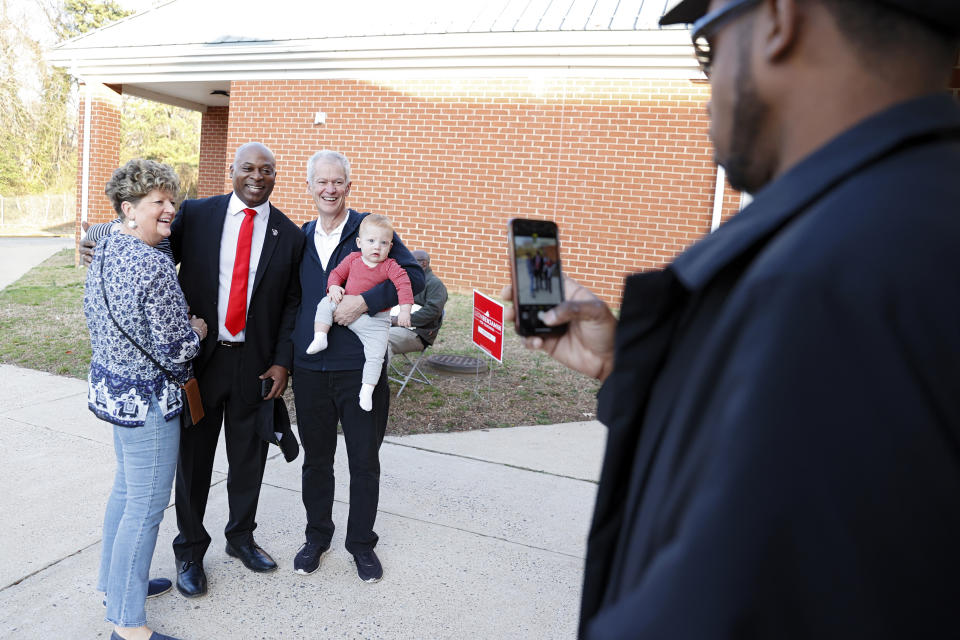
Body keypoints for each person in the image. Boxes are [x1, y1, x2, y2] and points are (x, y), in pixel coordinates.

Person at [504, 0, 960, 637]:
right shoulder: (916, 220)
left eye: (708, 49)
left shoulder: (822, 282)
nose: (707, 85)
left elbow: (730, 609)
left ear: (778, 18)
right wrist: (619, 369)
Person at [82, 142, 304, 598]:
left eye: (267, 170)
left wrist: (282, 361)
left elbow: (291, 303)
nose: (257, 176)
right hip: (197, 363)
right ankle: (189, 550)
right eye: (248, 168)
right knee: (193, 460)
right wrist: (96, 238)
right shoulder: (198, 215)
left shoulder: (289, 234)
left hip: (255, 364)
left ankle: (240, 537)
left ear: (276, 176)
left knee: (248, 458)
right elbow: (143, 228)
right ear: (232, 171)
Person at [85, 159, 207, 640]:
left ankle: (113, 587)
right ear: (130, 209)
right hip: (150, 405)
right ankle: (128, 625)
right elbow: (178, 347)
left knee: (125, 492)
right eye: (159, 202)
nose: (170, 210)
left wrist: (93, 233)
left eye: (171, 201)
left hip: (115, 396)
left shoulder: (111, 239)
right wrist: (198, 328)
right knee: (146, 509)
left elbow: (96, 227)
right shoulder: (154, 266)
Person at [291, 149, 423, 582]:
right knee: (317, 461)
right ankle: (317, 537)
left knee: (364, 460)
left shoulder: (371, 231)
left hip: (359, 370)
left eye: (338, 182)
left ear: (349, 185)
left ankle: (361, 544)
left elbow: (414, 278)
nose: (330, 189)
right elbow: (290, 301)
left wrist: (366, 301)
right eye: (321, 182)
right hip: (311, 372)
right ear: (309, 186)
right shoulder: (302, 235)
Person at [306, 213, 414, 411]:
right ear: (359, 242)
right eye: (371, 241)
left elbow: (404, 285)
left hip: (375, 320)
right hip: (344, 304)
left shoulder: (390, 266)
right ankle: (320, 336)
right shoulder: (353, 259)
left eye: (383, 243)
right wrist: (333, 287)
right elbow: (336, 273)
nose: (377, 247)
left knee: (376, 355)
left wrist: (405, 311)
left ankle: (367, 389)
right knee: (324, 303)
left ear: (390, 247)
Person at [387, 249, 448, 359]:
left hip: (418, 333)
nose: (407, 265)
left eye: (411, 262)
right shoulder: (410, 280)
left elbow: (433, 311)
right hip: (395, 324)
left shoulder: (435, 284)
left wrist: (401, 320)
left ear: (423, 263)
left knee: (382, 342)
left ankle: (378, 376)